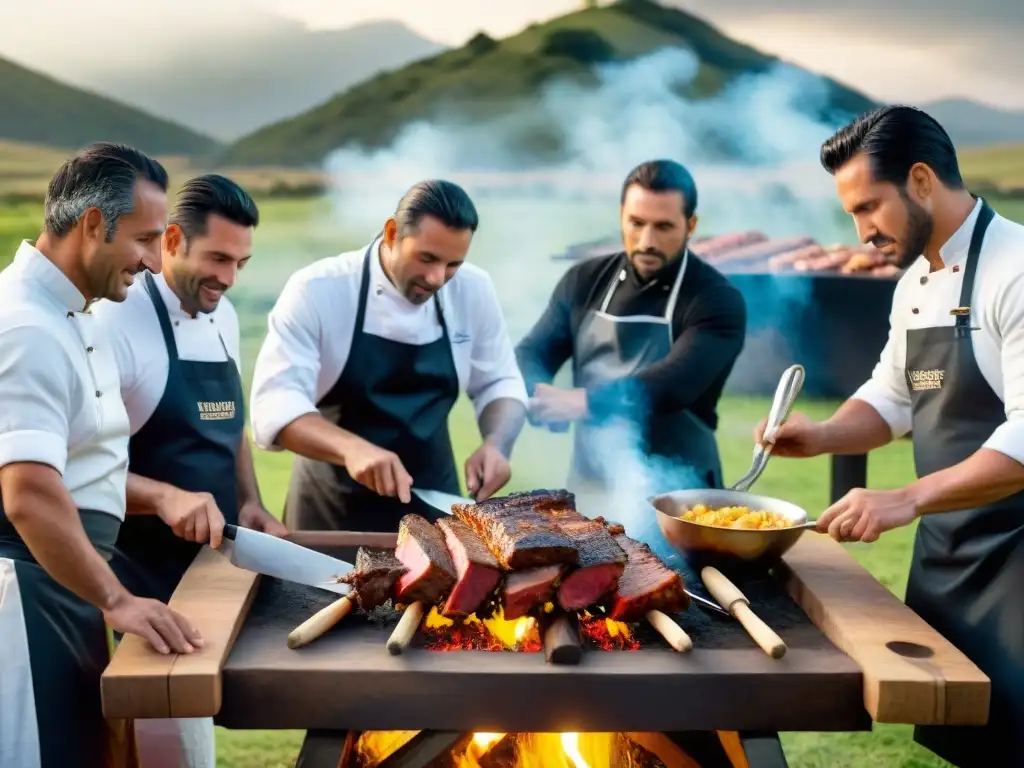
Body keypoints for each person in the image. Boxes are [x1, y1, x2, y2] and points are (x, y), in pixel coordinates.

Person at [756, 105, 1024, 767]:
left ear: (923, 180)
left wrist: (902, 498)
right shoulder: (912, 285)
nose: (861, 230)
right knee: (977, 743)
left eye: (870, 207)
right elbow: (892, 396)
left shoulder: (1016, 271)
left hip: (1018, 565)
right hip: (952, 557)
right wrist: (820, 435)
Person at [0, 142, 203, 768]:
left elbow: (82, 467)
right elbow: (30, 493)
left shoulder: (77, 314)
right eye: (143, 240)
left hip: (68, 585)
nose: (151, 260)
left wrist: (159, 496)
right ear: (93, 224)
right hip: (29, 598)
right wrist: (116, 598)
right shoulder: (27, 327)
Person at [91, 174, 286, 767]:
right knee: (168, 748)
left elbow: (233, 427)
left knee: (199, 733)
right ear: (171, 239)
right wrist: (165, 496)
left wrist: (249, 500)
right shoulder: (113, 323)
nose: (228, 279)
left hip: (213, 571)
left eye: (241, 263)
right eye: (218, 258)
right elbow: (72, 472)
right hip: (135, 579)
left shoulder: (221, 315)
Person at [249, 179, 528, 531]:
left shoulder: (473, 289)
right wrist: (352, 449)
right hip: (330, 514)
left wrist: (497, 445)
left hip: (432, 512)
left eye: (453, 264)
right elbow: (274, 406)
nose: (437, 277)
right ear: (393, 232)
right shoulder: (318, 289)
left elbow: (500, 381)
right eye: (426, 258)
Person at [514, 159, 747, 557]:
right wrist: (537, 397)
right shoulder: (585, 281)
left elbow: (674, 383)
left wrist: (584, 401)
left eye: (664, 227)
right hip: (591, 491)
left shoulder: (715, 298)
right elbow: (531, 351)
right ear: (621, 215)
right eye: (636, 223)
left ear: (691, 225)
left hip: (682, 503)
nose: (646, 241)